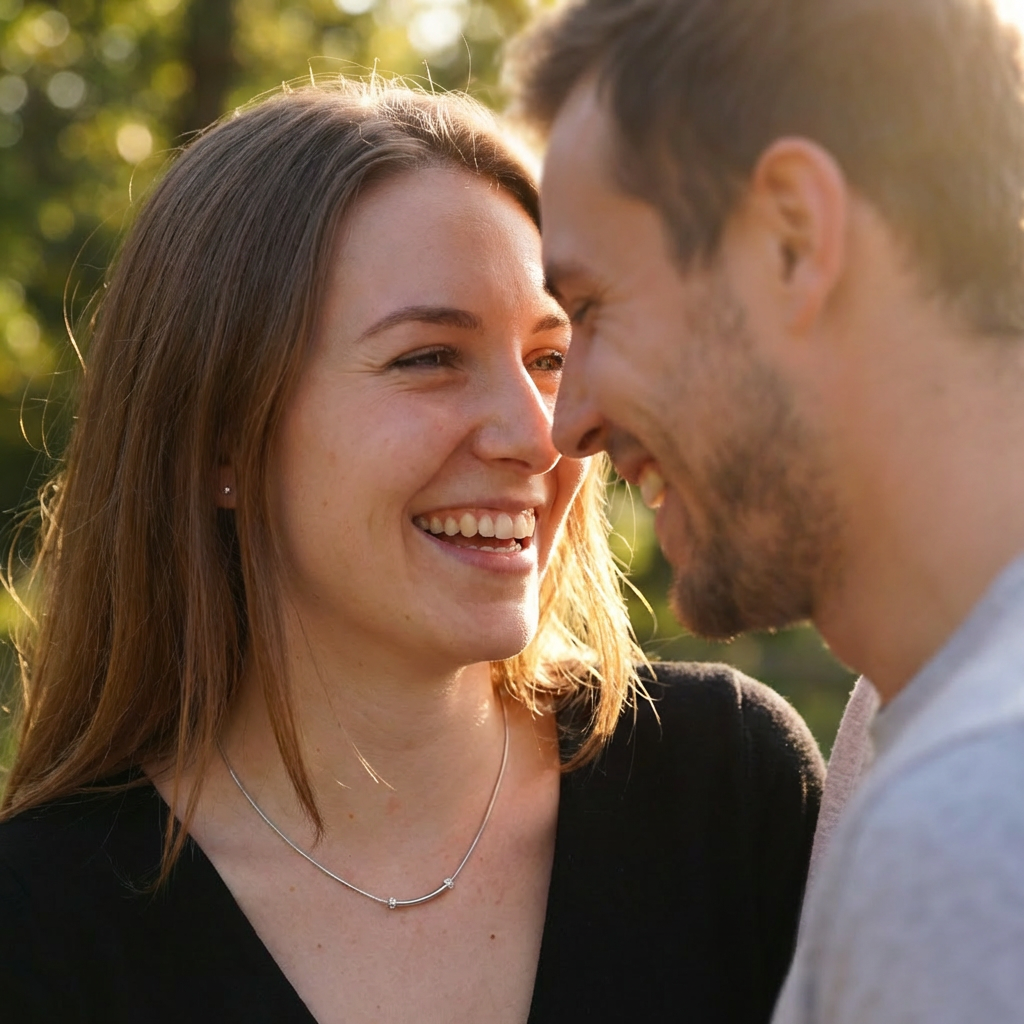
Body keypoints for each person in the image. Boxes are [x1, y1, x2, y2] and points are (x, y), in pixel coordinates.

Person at [0, 81, 823, 1023]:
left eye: (550, 358)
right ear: (221, 438)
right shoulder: (39, 925)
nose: (537, 432)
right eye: (429, 357)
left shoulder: (725, 793)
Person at [509, 0, 1024, 1020]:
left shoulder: (971, 821)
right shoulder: (901, 719)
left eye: (592, 308)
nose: (567, 427)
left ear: (793, 237)